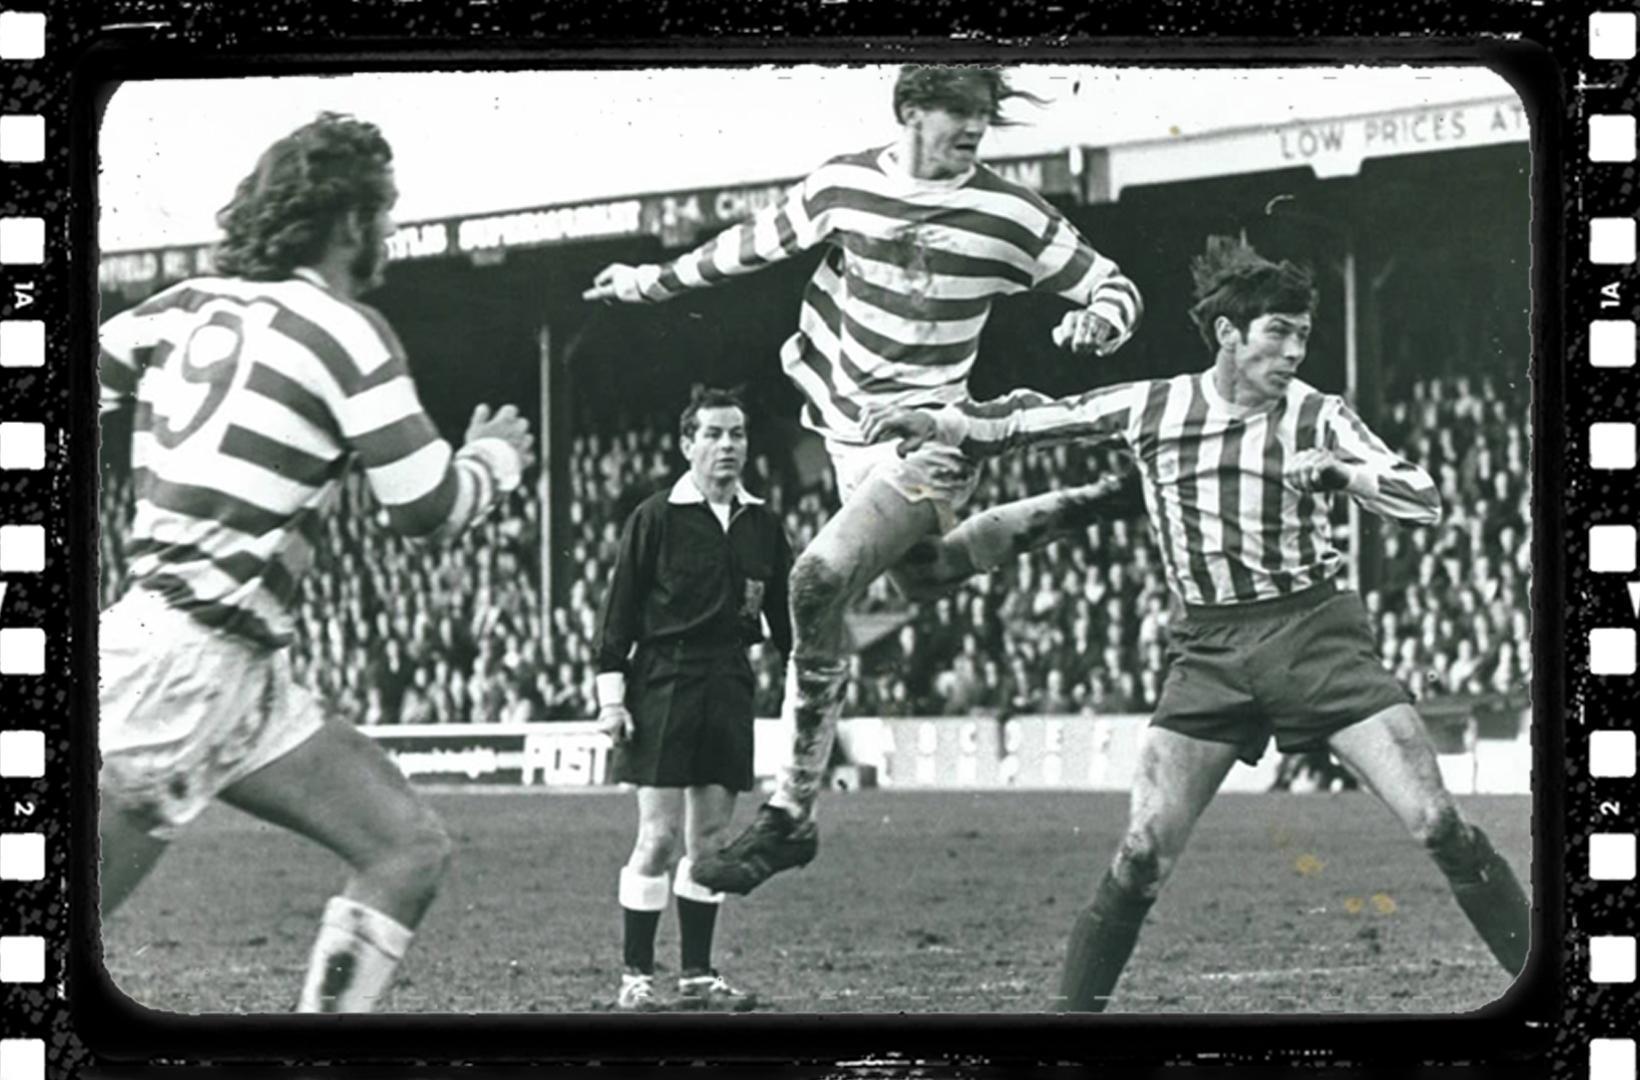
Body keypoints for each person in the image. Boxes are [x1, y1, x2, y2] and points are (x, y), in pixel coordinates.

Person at [862, 235, 1529, 1010]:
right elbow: (1034, 420)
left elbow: (1423, 497)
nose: (1292, 352)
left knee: (1438, 823)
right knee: (1142, 854)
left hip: (1317, 637)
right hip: (1208, 652)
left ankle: (1544, 992)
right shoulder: (1157, 406)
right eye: (1277, 332)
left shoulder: (1317, 415)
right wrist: (936, 420)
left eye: (1302, 335)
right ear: (1227, 335)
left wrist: (1347, 475)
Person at [585, 65, 1143, 893]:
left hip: (933, 437)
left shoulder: (1009, 211)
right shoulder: (843, 185)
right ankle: (1097, 500)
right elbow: (741, 249)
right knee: (928, 568)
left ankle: (791, 815)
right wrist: (643, 282)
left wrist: (1101, 319)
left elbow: (1113, 281)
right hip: (849, 435)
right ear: (912, 110)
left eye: (984, 118)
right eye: (961, 114)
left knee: (814, 581)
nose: (974, 132)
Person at [97, 113, 533, 1012]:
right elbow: (425, 508)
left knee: (406, 847)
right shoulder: (345, 329)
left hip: (234, 671)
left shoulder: (178, 306)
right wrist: (496, 460)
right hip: (182, 663)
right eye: (386, 213)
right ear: (349, 222)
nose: (390, 235)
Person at [593, 386, 793, 1011]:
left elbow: (785, 621)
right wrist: (612, 700)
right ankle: (635, 977)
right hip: (663, 680)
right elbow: (618, 615)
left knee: (709, 844)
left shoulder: (763, 525)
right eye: (713, 434)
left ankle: (698, 977)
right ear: (688, 444)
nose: (727, 445)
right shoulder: (655, 516)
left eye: (736, 434)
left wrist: (806, 678)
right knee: (657, 839)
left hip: (730, 682)